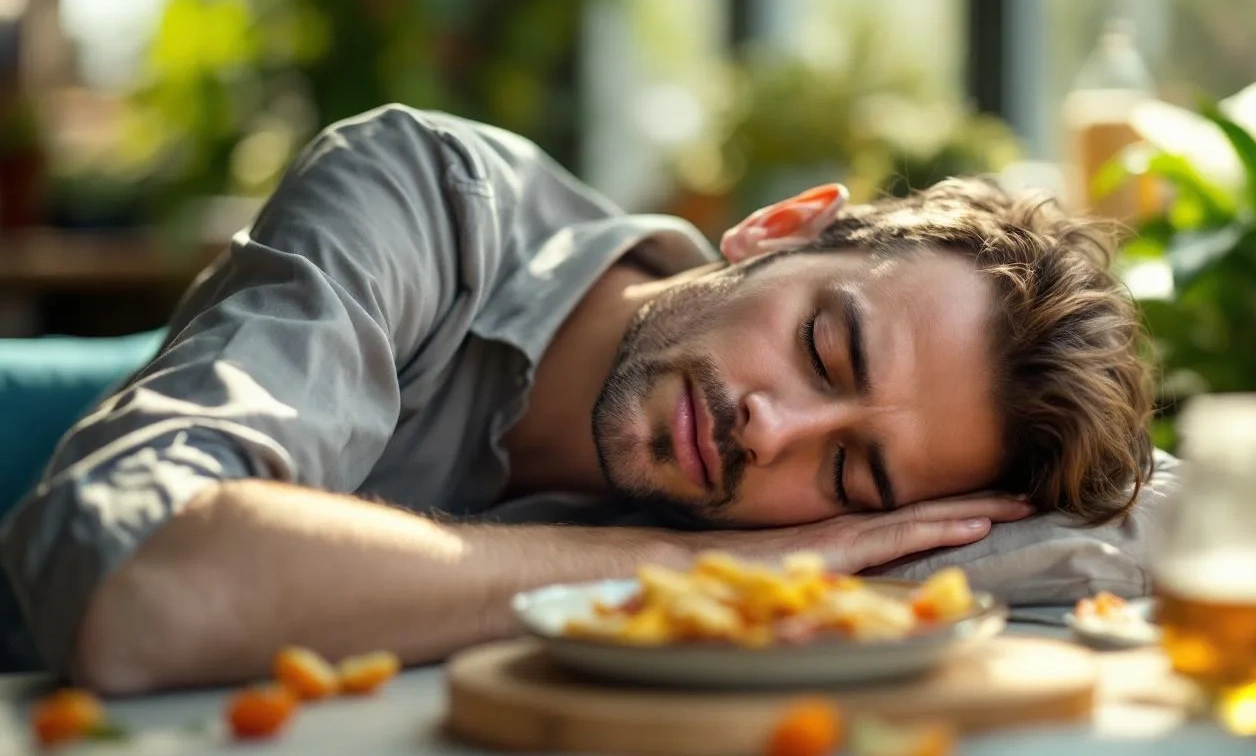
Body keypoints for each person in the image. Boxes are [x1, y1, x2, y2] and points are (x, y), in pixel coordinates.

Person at [0, 105, 1152, 693]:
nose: (776, 432)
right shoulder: (423, 195)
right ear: (777, 229)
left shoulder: (793, 522)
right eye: (824, 347)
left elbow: (1161, 528)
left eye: (849, 474)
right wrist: (680, 571)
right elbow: (134, 582)